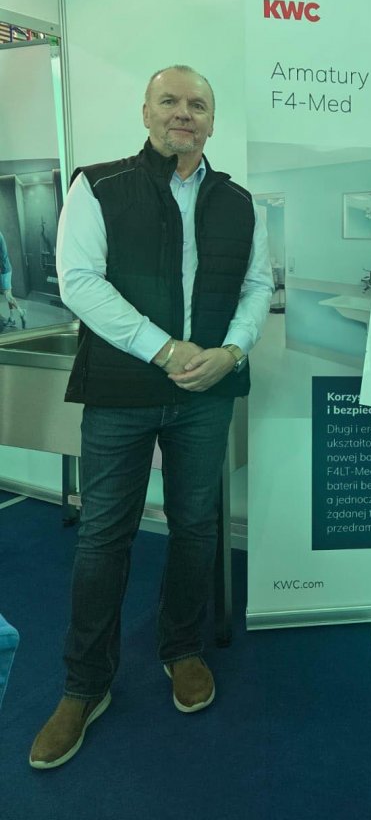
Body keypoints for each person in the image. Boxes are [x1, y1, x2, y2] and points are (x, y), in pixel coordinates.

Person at [29, 65, 273, 769]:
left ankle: (181, 647)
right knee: (104, 535)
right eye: (169, 100)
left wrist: (232, 351)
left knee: (196, 526)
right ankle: (84, 684)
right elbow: (79, 282)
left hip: (207, 393)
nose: (183, 113)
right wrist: (164, 349)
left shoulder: (239, 202)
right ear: (145, 111)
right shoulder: (97, 185)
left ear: (212, 121)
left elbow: (257, 285)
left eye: (198, 103)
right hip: (121, 392)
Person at [0, 228, 20, 323]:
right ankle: (12, 318)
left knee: (8, 295)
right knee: (8, 294)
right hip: (6, 268)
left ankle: (21, 311)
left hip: (4, 270)